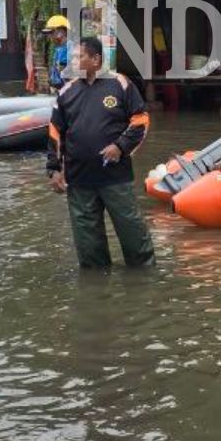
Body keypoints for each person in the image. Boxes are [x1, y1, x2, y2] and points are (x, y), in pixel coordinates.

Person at [46, 35, 155, 268]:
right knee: (88, 247)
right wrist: (54, 169)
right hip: (79, 180)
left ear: (96, 59)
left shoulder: (121, 84)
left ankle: (145, 283)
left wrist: (120, 147)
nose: (74, 61)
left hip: (114, 177)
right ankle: (95, 291)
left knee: (133, 235)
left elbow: (141, 121)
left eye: (79, 56)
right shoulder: (66, 92)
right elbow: (55, 132)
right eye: (74, 56)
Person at [42, 15, 72, 88]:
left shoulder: (70, 47)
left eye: (51, 32)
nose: (49, 36)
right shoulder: (59, 48)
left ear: (61, 32)